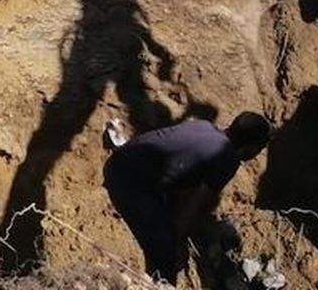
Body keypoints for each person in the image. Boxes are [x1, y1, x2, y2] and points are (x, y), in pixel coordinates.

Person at [103, 112, 272, 284]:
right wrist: (178, 243)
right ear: (251, 147)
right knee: (165, 250)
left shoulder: (204, 126)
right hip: (127, 181)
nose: (257, 153)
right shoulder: (226, 158)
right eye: (260, 148)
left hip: (123, 162)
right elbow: (195, 204)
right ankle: (159, 285)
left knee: (165, 225)